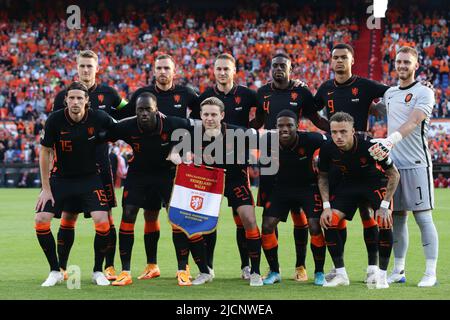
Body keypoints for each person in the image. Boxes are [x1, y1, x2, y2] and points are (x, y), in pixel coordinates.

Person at [96, 92, 202, 286]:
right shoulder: (128, 125)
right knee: (128, 214)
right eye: (140, 110)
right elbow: (104, 133)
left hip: (166, 173)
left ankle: (182, 270)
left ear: (156, 111)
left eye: (148, 109)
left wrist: (179, 149)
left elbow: (197, 131)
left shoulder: (172, 123)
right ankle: (125, 271)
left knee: (176, 217)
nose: (143, 113)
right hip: (139, 174)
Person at [314, 43, 394, 282]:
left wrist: (419, 89)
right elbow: (310, 110)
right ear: (331, 62)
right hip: (337, 158)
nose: (339, 61)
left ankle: (373, 267)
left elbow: (394, 94)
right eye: (335, 57)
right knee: (337, 217)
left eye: (343, 57)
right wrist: (328, 131)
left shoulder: (365, 85)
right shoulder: (326, 88)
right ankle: (340, 270)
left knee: (368, 215)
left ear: (351, 61)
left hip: (362, 153)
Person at [119, 54, 201, 278]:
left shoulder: (186, 93)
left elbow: (201, 117)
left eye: (167, 68)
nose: (163, 72)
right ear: (154, 71)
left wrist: (184, 148)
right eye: (159, 68)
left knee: (177, 216)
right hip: (144, 165)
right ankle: (151, 265)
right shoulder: (142, 95)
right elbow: (124, 121)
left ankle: (183, 268)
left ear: (174, 71)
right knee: (149, 215)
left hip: (172, 167)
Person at [169, 96, 264, 286]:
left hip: (235, 180)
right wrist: (180, 159)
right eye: (205, 114)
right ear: (201, 116)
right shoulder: (193, 134)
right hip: (208, 183)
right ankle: (206, 270)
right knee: (202, 222)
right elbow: (172, 153)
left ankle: (254, 271)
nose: (209, 118)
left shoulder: (238, 132)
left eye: (213, 114)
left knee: (249, 219)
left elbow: (263, 139)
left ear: (222, 115)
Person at [52, 50, 128, 281]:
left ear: (97, 68)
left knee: (106, 217)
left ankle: (108, 267)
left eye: (90, 66)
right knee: (68, 217)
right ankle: (62, 268)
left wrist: (111, 130)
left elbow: (129, 113)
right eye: (82, 66)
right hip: (70, 168)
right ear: (77, 67)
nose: (86, 70)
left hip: (101, 166)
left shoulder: (110, 94)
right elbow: (55, 129)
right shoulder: (64, 96)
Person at [253, 52, 328, 281]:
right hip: (270, 163)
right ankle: (274, 269)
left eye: (282, 66)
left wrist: (337, 132)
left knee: (302, 218)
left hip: (297, 157)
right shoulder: (262, 92)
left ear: (290, 68)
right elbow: (256, 122)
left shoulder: (301, 91)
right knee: (269, 218)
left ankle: (301, 266)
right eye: (274, 65)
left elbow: (316, 118)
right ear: (270, 68)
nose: (278, 69)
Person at [368, 46, 439, 287]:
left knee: (423, 218)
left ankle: (431, 272)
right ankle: (398, 270)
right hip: (394, 167)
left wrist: (389, 141)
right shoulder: (390, 93)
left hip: (418, 164)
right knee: (397, 219)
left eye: (407, 62)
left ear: (416, 65)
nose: (402, 66)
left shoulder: (424, 92)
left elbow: (414, 120)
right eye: (399, 62)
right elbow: (376, 109)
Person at [35, 81, 116, 287]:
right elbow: (45, 151)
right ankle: (55, 270)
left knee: (103, 220)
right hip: (61, 178)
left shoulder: (99, 118)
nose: (75, 101)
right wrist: (45, 188)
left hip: (90, 178)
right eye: (71, 98)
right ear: (66, 100)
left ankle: (98, 270)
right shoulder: (54, 120)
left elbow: (120, 128)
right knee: (41, 219)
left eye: (80, 98)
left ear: (87, 101)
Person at [317, 112, 400, 288]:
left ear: (353, 131)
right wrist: (326, 206)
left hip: (374, 184)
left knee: (384, 221)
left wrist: (385, 205)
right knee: (329, 220)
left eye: (343, 131)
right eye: (334, 132)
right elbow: (323, 177)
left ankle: (381, 275)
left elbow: (394, 175)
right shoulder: (327, 148)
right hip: (348, 186)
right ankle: (340, 275)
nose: (338, 136)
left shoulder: (371, 146)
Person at [198, 53, 260, 280]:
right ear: (214, 71)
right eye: (219, 69)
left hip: (237, 167)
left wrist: (251, 129)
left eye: (226, 69)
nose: (222, 72)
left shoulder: (246, 94)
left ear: (234, 71)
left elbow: (267, 106)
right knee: (206, 220)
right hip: (210, 169)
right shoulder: (204, 96)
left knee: (243, 219)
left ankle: (247, 267)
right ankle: (208, 268)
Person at [261, 110, 328, 286]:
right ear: (275, 127)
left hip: (307, 188)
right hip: (281, 189)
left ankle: (318, 271)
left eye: (289, 125)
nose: (285, 129)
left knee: (314, 226)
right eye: (280, 125)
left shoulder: (311, 139)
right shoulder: (267, 140)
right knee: (267, 225)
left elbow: (332, 143)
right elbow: (239, 138)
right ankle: (274, 271)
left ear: (297, 126)